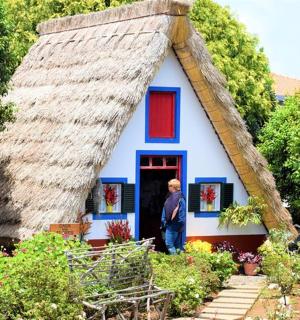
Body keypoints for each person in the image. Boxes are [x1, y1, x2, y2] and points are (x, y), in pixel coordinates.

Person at [161, 179, 186, 254]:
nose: (168, 187)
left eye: (169, 186)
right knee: (176, 245)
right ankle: (178, 262)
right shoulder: (174, 196)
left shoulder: (179, 198)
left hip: (172, 226)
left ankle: (175, 261)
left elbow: (182, 215)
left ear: (173, 187)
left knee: (169, 244)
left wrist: (169, 223)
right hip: (173, 225)